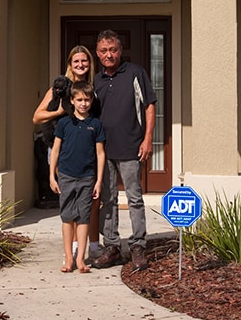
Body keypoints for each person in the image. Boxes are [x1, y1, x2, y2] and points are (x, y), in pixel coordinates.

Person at [91, 29, 156, 271]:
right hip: (103, 150)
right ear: (98, 54)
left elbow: (149, 106)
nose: (109, 54)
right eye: (104, 51)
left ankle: (138, 246)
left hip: (131, 147)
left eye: (113, 50)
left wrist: (147, 138)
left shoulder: (135, 73)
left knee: (134, 199)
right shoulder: (96, 80)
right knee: (107, 200)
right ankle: (112, 247)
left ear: (120, 50)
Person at [33, 46, 102, 260]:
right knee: (70, 202)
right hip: (61, 148)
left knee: (91, 202)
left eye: (84, 61)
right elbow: (37, 117)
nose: (80, 65)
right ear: (70, 64)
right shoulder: (59, 88)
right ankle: (72, 250)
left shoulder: (93, 86)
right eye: (76, 62)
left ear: (90, 63)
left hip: (87, 149)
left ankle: (93, 244)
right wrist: (60, 112)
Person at [49, 81, 105, 273]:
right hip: (66, 176)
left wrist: (98, 181)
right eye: (79, 99)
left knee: (83, 218)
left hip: (87, 178)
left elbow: (100, 154)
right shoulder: (64, 123)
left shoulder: (96, 124)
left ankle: (81, 259)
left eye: (87, 99)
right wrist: (52, 176)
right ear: (72, 101)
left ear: (91, 101)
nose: (83, 103)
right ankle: (68, 259)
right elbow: (55, 150)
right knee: (67, 217)